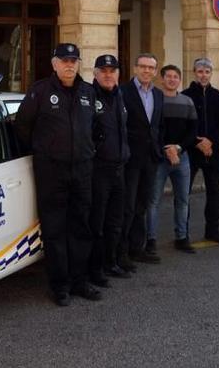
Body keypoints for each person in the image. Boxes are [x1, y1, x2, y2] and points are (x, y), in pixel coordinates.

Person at [14, 43, 101, 306]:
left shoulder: (88, 92)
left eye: (74, 60)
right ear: (54, 64)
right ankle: (59, 286)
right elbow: (22, 129)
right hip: (52, 171)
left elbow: (95, 128)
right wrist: (45, 153)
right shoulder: (40, 91)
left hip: (82, 169)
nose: (69, 65)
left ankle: (79, 281)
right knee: (54, 229)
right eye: (64, 60)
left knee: (80, 226)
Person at [118, 53, 167, 267]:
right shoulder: (123, 92)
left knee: (142, 205)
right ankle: (121, 252)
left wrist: (159, 149)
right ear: (135, 68)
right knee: (126, 206)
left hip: (150, 158)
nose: (147, 71)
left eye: (151, 68)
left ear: (156, 72)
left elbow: (157, 126)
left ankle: (137, 248)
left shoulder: (158, 94)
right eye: (143, 67)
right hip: (130, 158)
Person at [89, 54, 132, 285]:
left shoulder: (119, 95)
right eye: (103, 71)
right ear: (95, 73)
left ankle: (111, 262)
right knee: (97, 222)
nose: (108, 74)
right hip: (98, 170)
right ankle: (95, 270)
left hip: (119, 168)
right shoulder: (88, 96)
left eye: (112, 70)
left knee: (115, 221)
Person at [147, 64, 197, 254]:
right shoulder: (154, 100)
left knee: (183, 200)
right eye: (168, 76)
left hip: (182, 158)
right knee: (153, 201)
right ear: (161, 79)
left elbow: (193, 131)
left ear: (180, 80)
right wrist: (165, 150)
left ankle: (182, 237)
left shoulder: (187, 102)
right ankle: (150, 239)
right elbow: (153, 131)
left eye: (176, 76)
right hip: (159, 158)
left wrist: (178, 148)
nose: (172, 79)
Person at [182, 58, 219, 244]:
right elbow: (183, 125)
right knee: (184, 193)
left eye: (207, 72)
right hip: (191, 151)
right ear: (194, 72)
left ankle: (213, 230)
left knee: (214, 193)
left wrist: (210, 141)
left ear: (211, 74)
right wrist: (197, 142)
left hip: (213, 151)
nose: (203, 75)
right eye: (200, 71)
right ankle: (182, 233)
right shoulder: (185, 96)